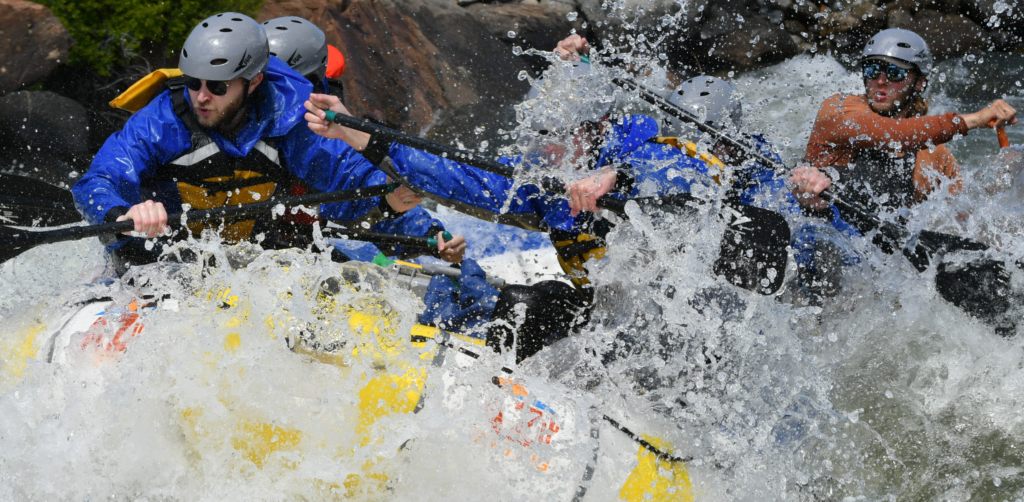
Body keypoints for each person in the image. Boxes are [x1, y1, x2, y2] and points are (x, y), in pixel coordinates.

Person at [71, 12, 464, 275]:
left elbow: (343, 180)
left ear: (254, 81)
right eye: (194, 82)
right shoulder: (160, 121)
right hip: (162, 263)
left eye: (218, 86)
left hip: (249, 265)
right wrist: (121, 212)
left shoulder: (289, 123)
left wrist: (386, 201)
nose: (201, 97)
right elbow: (100, 179)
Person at [261, 15, 461, 262]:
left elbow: (364, 186)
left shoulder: (319, 140)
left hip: (293, 253)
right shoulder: (219, 117)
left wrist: (430, 234)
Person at [793, 28, 1018, 230]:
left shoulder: (934, 157)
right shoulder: (838, 111)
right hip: (816, 229)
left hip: (872, 260)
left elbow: (962, 219)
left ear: (919, 82)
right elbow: (892, 134)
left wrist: (1003, 176)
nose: (881, 81)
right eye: (872, 70)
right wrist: (977, 119)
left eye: (894, 73)